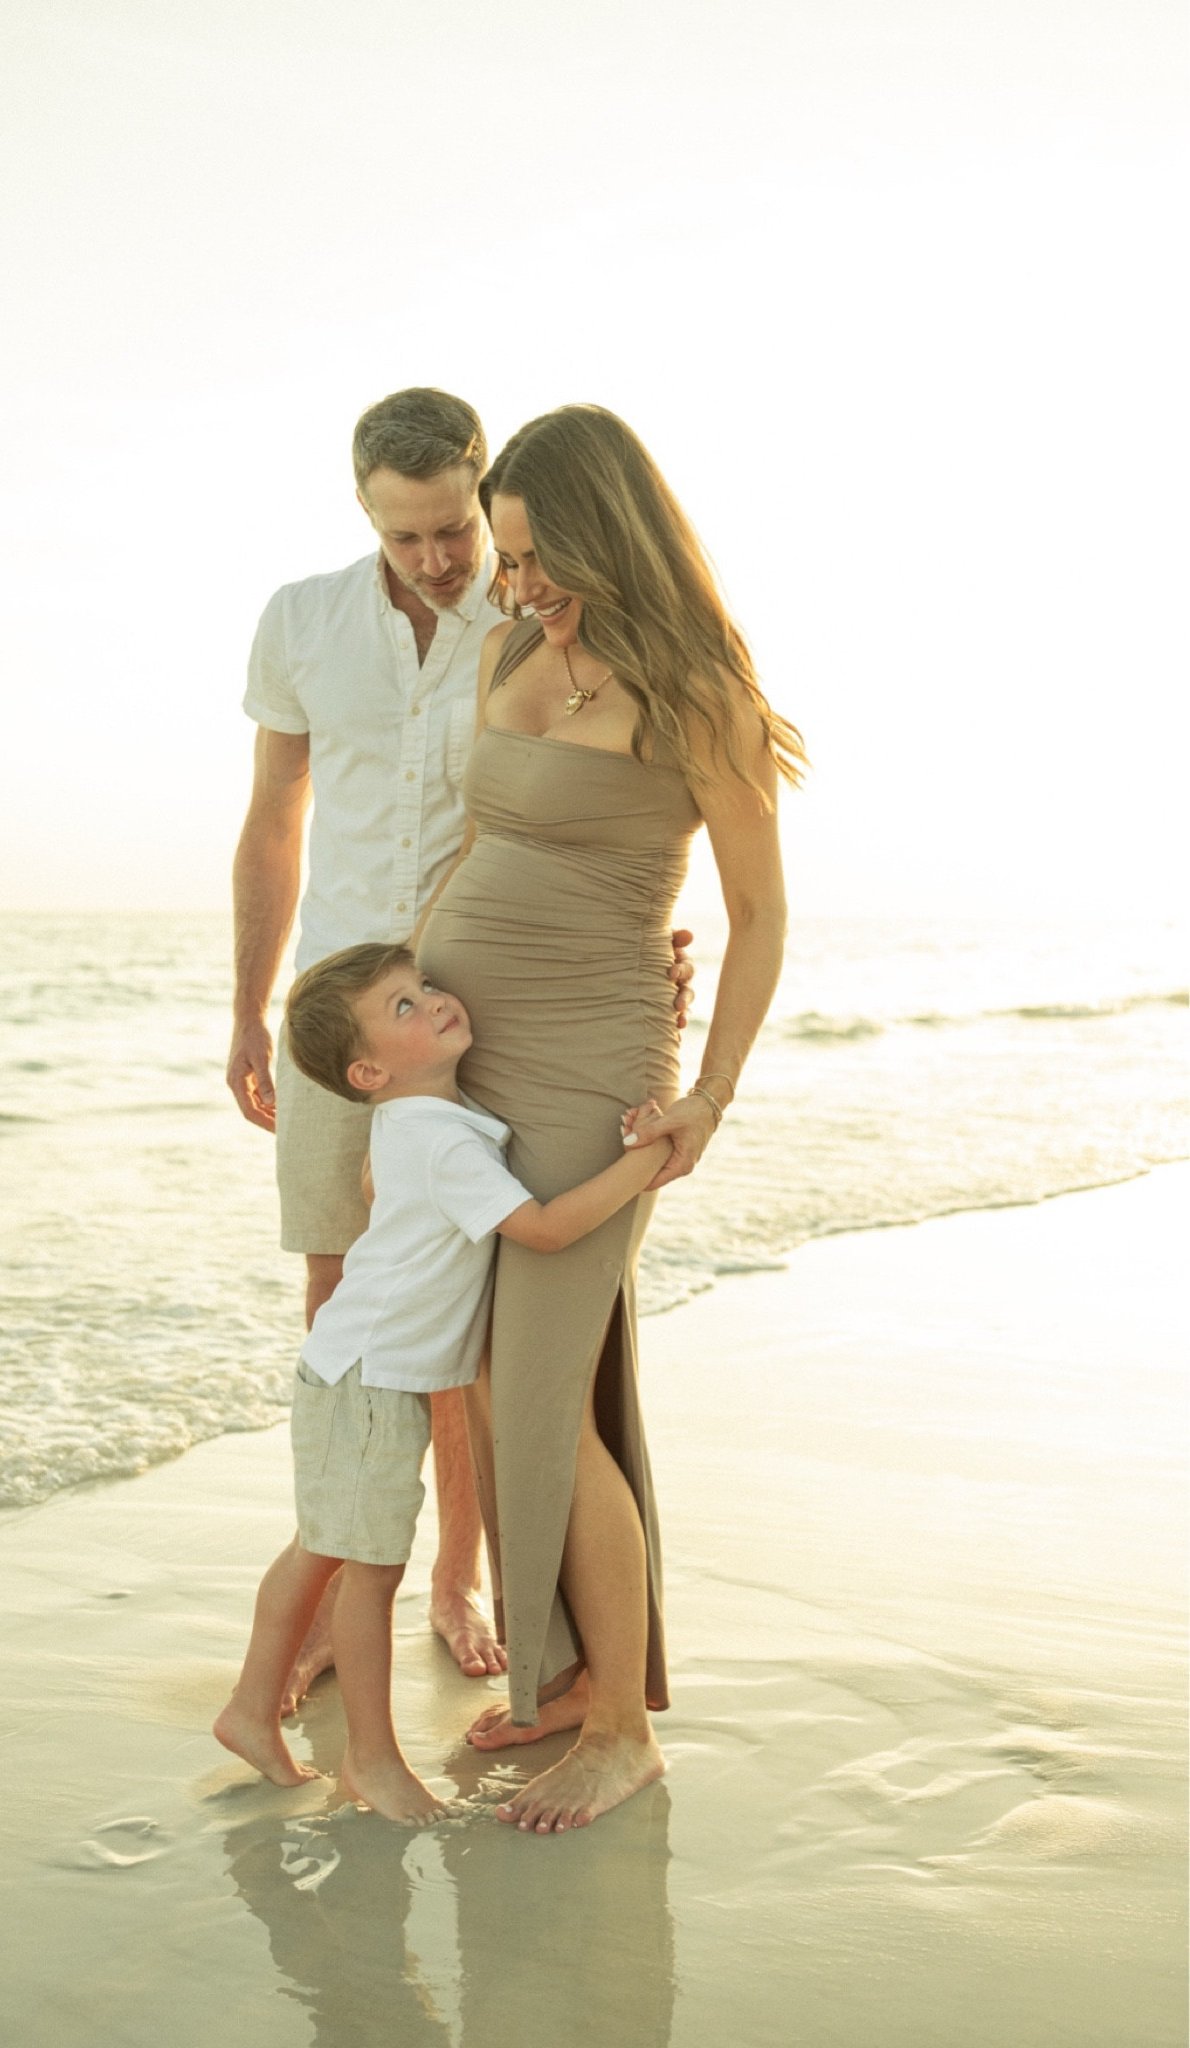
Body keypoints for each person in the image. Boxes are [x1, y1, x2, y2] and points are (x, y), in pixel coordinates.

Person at [227, 388, 692, 1708]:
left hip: (486, 1008)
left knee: (479, 1321)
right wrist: (246, 1006)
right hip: (344, 1013)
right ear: (362, 510)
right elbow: (272, 821)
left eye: (452, 530)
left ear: (481, 497)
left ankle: (455, 1579)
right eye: (406, 533)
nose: (437, 559)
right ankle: (333, 1584)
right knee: (349, 1311)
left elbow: (606, 799)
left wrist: (635, 945)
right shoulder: (301, 623)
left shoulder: (537, 616)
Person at [416, 403, 806, 1834]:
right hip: (467, 1063)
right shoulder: (516, 647)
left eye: (529, 555)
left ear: (598, 529)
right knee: (520, 1379)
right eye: (502, 559)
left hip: (596, 1073)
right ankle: (576, 1671)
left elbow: (758, 916)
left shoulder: (698, 688)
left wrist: (706, 1096)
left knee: (531, 1401)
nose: (510, 584)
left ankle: (624, 1729)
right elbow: (475, 842)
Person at [213, 942, 670, 1822]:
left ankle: (246, 1710)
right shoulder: (439, 1144)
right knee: (368, 1571)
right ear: (369, 1069)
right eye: (403, 1008)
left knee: (320, 1548)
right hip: (373, 1384)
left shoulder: (421, 1123)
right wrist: (648, 1160)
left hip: (353, 1369)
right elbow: (539, 1230)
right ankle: (372, 1762)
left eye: (423, 988)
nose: (434, 1002)